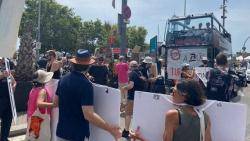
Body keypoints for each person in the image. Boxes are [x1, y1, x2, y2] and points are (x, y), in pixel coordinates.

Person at [53, 49, 121, 141]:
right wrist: (111, 130)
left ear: (74, 63)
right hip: (77, 135)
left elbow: (55, 103)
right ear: (88, 66)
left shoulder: (63, 79)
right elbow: (88, 114)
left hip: (61, 132)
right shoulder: (86, 85)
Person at [26, 70, 55, 140]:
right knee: (41, 137)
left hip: (32, 117)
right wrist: (54, 104)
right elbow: (39, 103)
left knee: (33, 138)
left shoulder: (33, 89)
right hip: (40, 118)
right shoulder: (42, 91)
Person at [121, 61, 146, 139]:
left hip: (132, 97)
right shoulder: (140, 73)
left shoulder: (132, 74)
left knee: (128, 114)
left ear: (130, 66)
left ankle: (126, 131)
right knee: (137, 115)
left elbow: (131, 86)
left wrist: (124, 88)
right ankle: (136, 131)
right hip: (140, 97)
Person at [46, 50, 62, 141]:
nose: (47, 55)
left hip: (53, 84)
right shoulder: (49, 63)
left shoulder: (55, 63)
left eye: (48, 54)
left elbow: (50, 74)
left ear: (52, 55)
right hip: (50, 84)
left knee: (55, 110)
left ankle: (54, 137)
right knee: (50, 109)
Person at [0, 57, 16, 141]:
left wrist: (14, 86)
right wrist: (3, 75)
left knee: (7, 120)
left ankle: (4, 138)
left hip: (8, 99)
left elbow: (14, 81)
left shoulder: (6, 68)